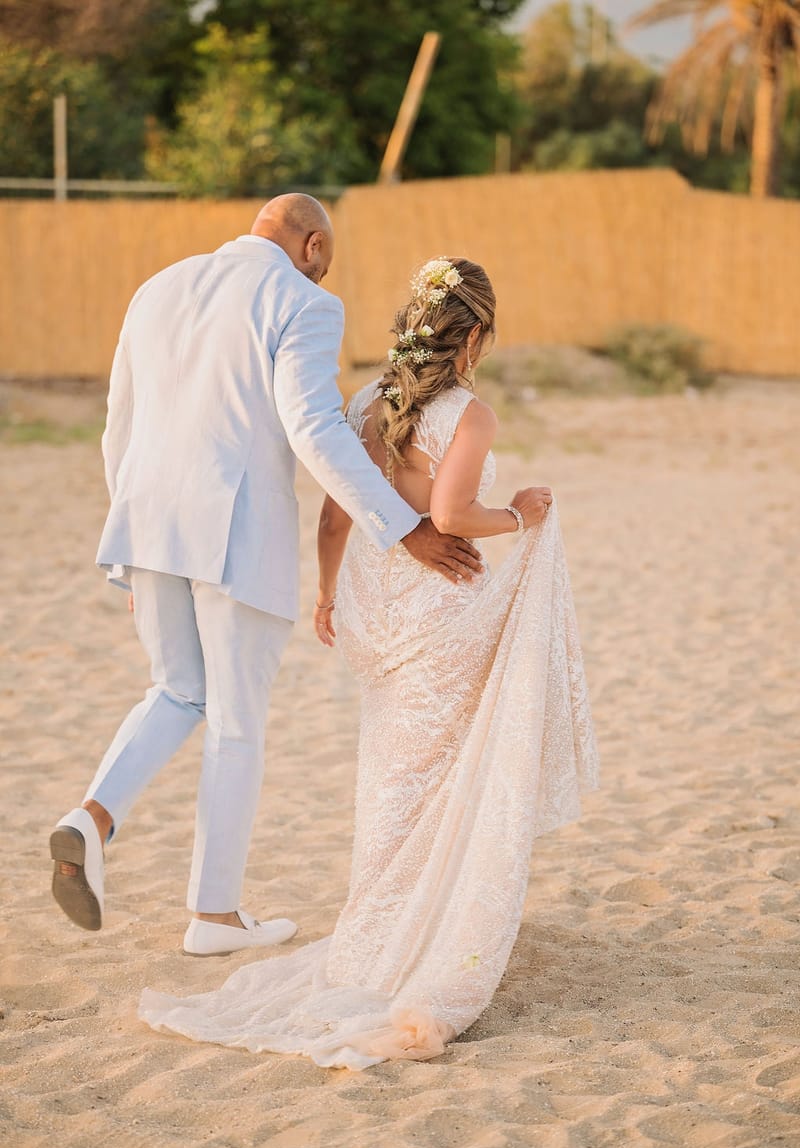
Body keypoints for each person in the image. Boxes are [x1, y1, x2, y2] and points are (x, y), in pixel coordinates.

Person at [139, 256, 599, 1065]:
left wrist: (326, 598)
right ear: (476, 335)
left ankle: (382, 928)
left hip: (377, 619)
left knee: (394, 776)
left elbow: (334, 516)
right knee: (451, 771)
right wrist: (519, 514)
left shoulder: (363, 405)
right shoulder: (469, 415)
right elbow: (454, 513)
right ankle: (427, 928)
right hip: (443, 616)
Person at [49, 200, 485, 956]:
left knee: (177, 690)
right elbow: (312, 427)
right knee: (236, 721)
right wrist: (402, 526)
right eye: (326, 256)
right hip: (232, 530)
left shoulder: (157, 287)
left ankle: (92, 817)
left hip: (147, 522)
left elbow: (119, 421)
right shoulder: (305, 302)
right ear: (312, 244)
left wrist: (128, 551)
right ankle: (212, 918)